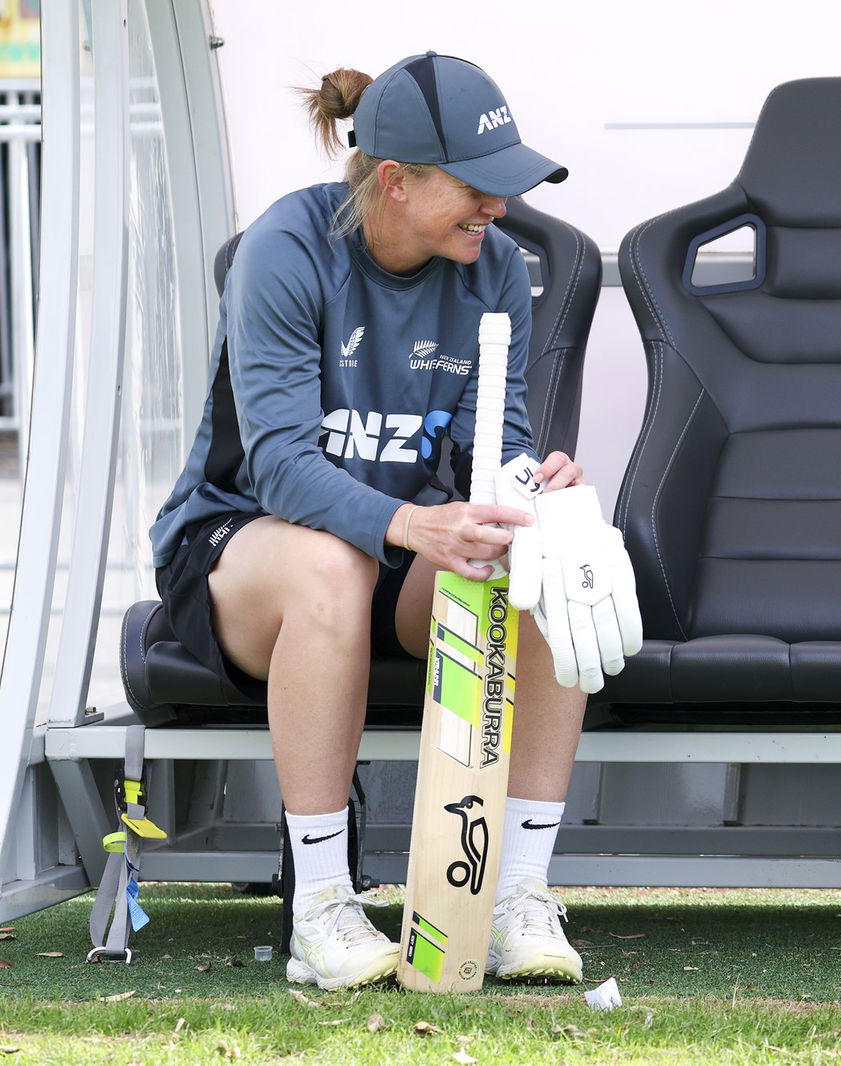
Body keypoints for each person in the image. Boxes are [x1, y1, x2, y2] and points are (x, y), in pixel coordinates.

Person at [150, 53, 619, 991]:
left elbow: (501, 448)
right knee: (333, 568)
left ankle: (518, 895)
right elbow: (279, 468)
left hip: (393, 549)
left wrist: (534, 490)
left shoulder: (492, 273)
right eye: (478, 190)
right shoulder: (284, 248)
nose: (497, 209)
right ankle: (322, 910)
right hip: (241, 552)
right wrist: (418, 526)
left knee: (541, 560)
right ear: (396, 183)